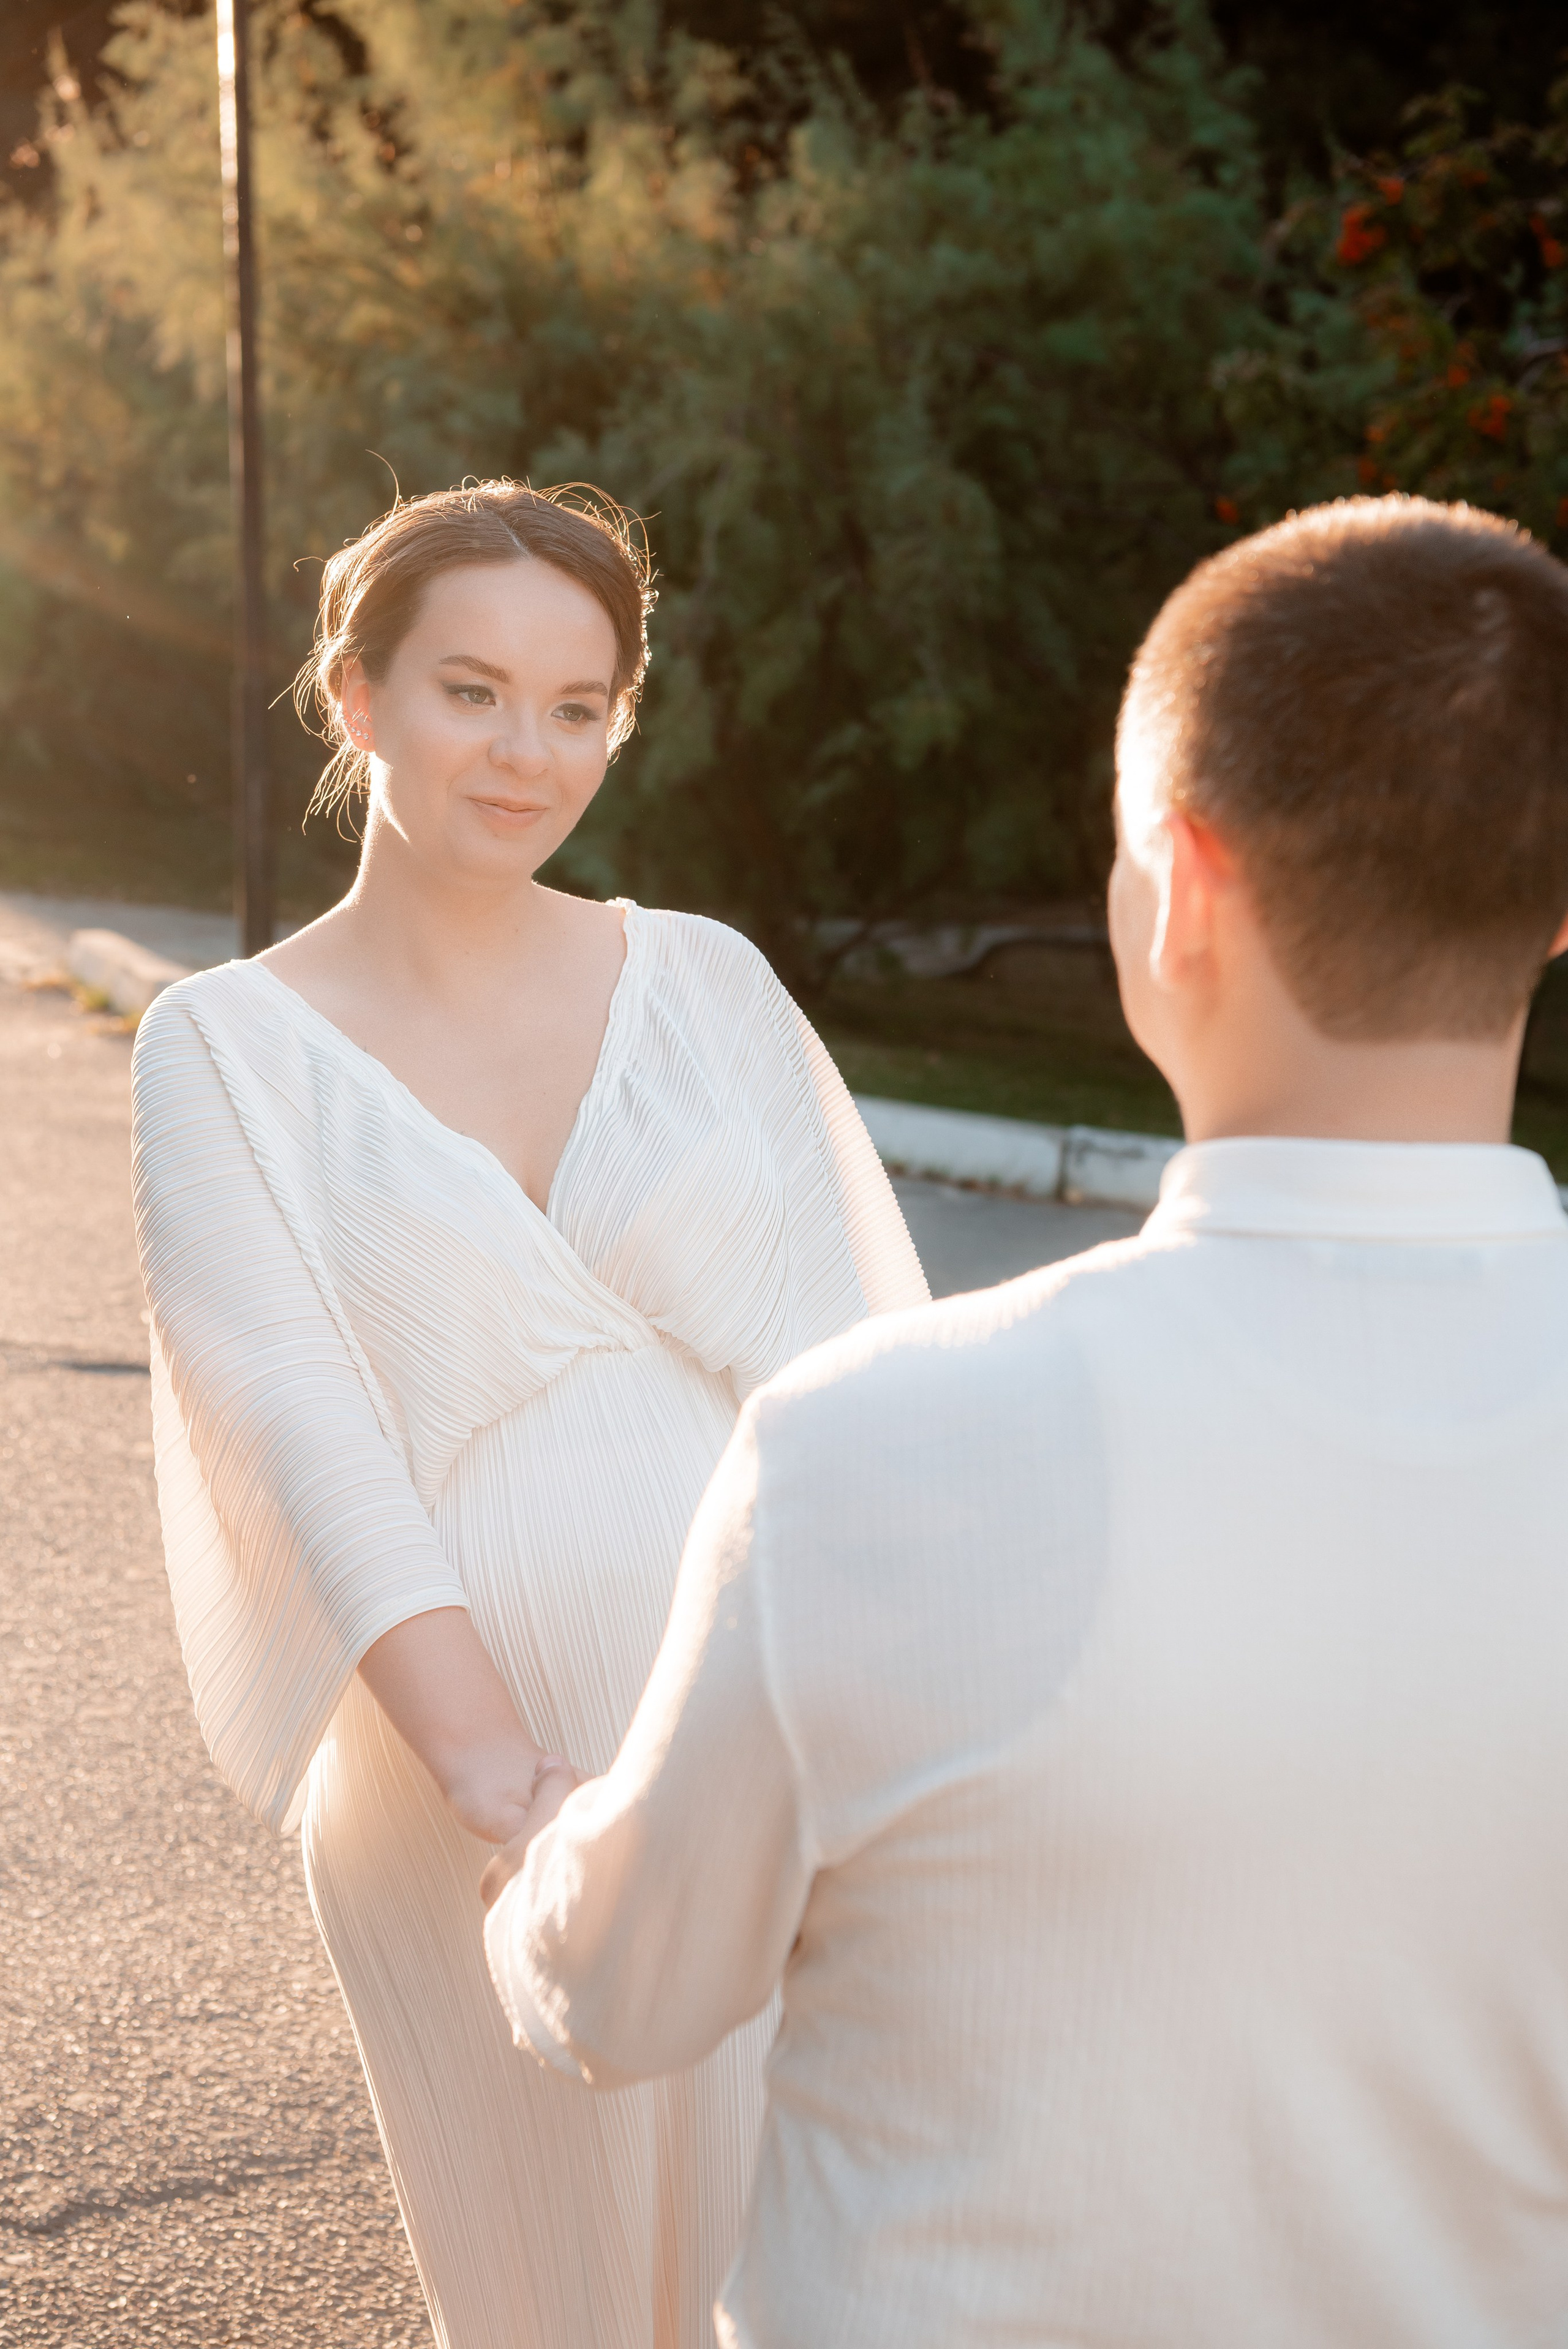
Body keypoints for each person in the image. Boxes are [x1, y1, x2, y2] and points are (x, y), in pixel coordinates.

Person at [484, 495, 1568, 2348]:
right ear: (1554, 912)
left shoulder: (886, 1448)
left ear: (1178, 888)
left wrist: (542, 1851)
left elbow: (622, 1993)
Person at [129, 479, 927, 2349]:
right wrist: (509, 1786)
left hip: (772, 1727)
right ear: (355, 693)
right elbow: (296, 1426)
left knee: (803, 2273)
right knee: (554, 2297)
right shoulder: (224, 1049)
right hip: (464, 1783)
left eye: (581, 705)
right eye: (472, 689)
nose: (528, 750)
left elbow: (857, 1382)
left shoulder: (708, 981)